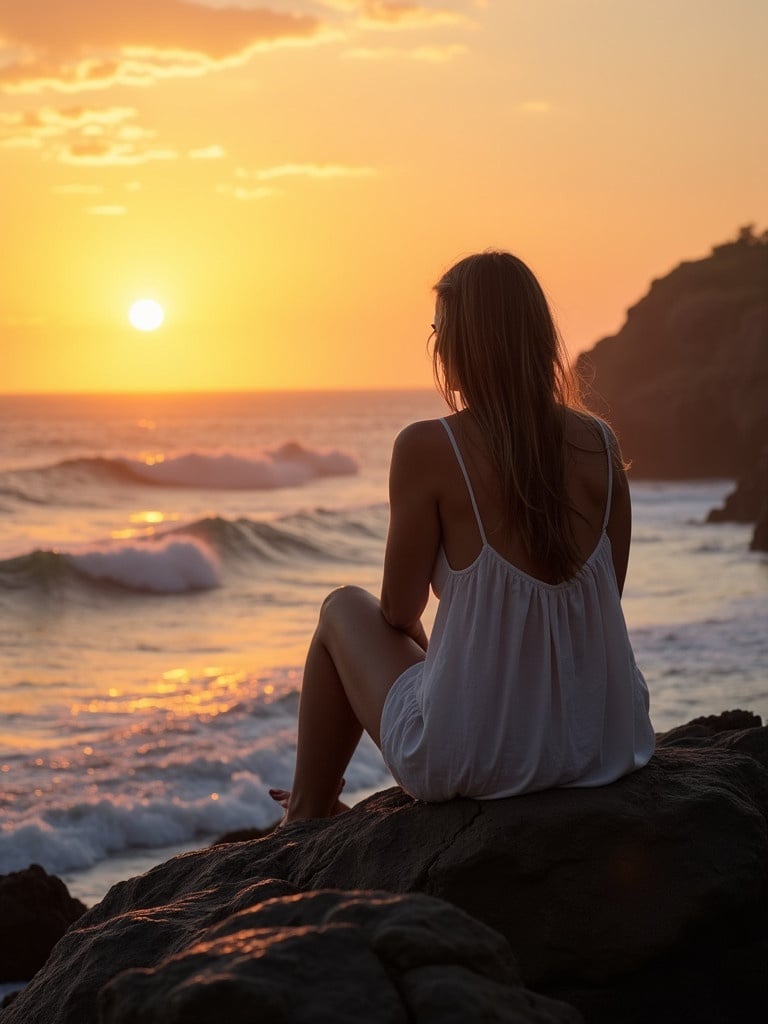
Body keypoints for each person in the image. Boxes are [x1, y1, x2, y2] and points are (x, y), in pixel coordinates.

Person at [270, 250, 655, 824]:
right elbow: (598, 609)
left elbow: (399, 612)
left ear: (459, 343)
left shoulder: (429, 447)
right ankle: (313, 807)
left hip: (475, 758)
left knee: (342, 607)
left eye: (438, 329)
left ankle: (305, 813)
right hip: (604, 739)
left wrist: (443, 667)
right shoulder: (599, 444)